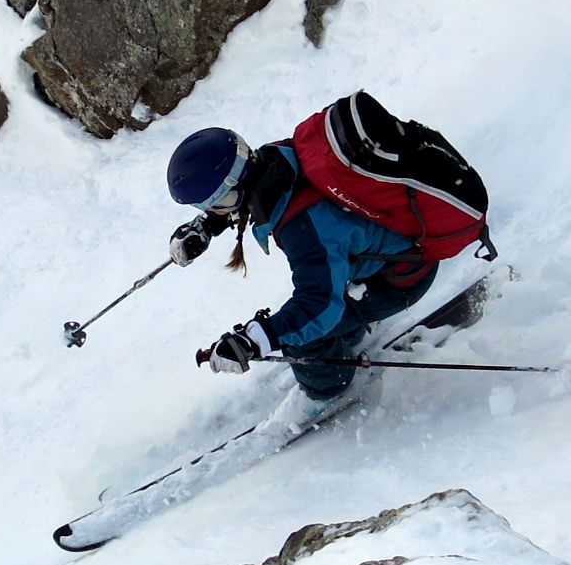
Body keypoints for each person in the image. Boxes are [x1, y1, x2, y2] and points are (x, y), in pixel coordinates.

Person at [163, 123, 438, 403]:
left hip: (401, 279)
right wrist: (209, 225)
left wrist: (257, 338)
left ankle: (330, 390)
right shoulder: (277, 158)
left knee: (300, 335)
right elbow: (248, 190)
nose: (209, 211)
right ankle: (346, 339)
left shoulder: (303, 225)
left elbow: (319, 306)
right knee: (318, 293)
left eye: (211, 204)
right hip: (394, 250)